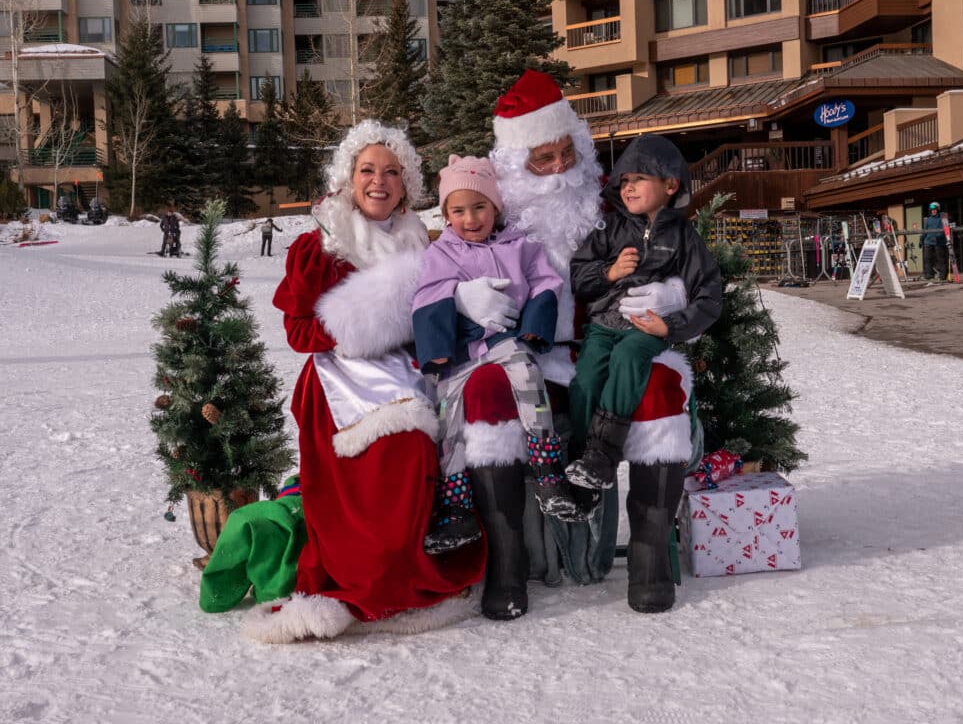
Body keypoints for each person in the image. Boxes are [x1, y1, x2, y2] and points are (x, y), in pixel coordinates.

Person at [449, 69, 702, 618]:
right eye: (543, 159)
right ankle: (507, 562)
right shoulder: (486, 217)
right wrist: (464, 299)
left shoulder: (615, 209)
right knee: (490, 391)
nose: (561, 169)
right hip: (522, 356)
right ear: (517, 167)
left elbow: (681, 250)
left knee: (659, 386)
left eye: (568, 153)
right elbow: (440, 266)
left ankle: (649, 554)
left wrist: (668, 291)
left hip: (611, 344)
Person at [243, 121, 484, 643]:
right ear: (348, 178)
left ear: (406, 183)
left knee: (428, 445)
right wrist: (357, 326)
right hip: (341, 377)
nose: (380, 181)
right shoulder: (321, 244)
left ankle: (411, 570)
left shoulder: (418, 240)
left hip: (407, 369)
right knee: (391, 450)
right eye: (368, 170)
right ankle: (369, 578)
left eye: (392, 172)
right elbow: (298, 330)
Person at [568, 135, 722, 611]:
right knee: (586, 378)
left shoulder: (685, 239)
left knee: (633, 358)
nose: (628, 187)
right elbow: (578, 273)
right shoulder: (613, 230)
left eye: (639, 179)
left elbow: (709, 298)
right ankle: (583, 463)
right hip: (604, 325)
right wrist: (610, 274)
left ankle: (605, 446)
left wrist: (670, 323)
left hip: (647, 328)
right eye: (625, 180)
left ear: (670, 184)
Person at [412, 155, 588, 557]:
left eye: (480, 207)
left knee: (527, 375)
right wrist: (447, 323)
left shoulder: (519, 245)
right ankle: (458, 505)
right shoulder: (442, 252)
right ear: (447, 213)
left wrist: (533, 324)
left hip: (503, 340)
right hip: (460, 350)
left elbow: (546, 281)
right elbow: (426, 294)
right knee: (448, 417)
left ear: (496, 208)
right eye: (458, 211)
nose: (470, 219)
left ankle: (546, 469)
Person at [921, 201, 948, 281]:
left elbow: (944, 230)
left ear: (938, 210)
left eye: (935, 209)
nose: (933, 211)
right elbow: (925, 230)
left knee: (940, 258)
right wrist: (921, 239)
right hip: (928, 241)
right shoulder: (928, 219)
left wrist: (938, 236)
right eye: (932, 210)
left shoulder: (941, 219)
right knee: (927, 258)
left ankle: (942, 275)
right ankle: (929, 274)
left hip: (938, 241)